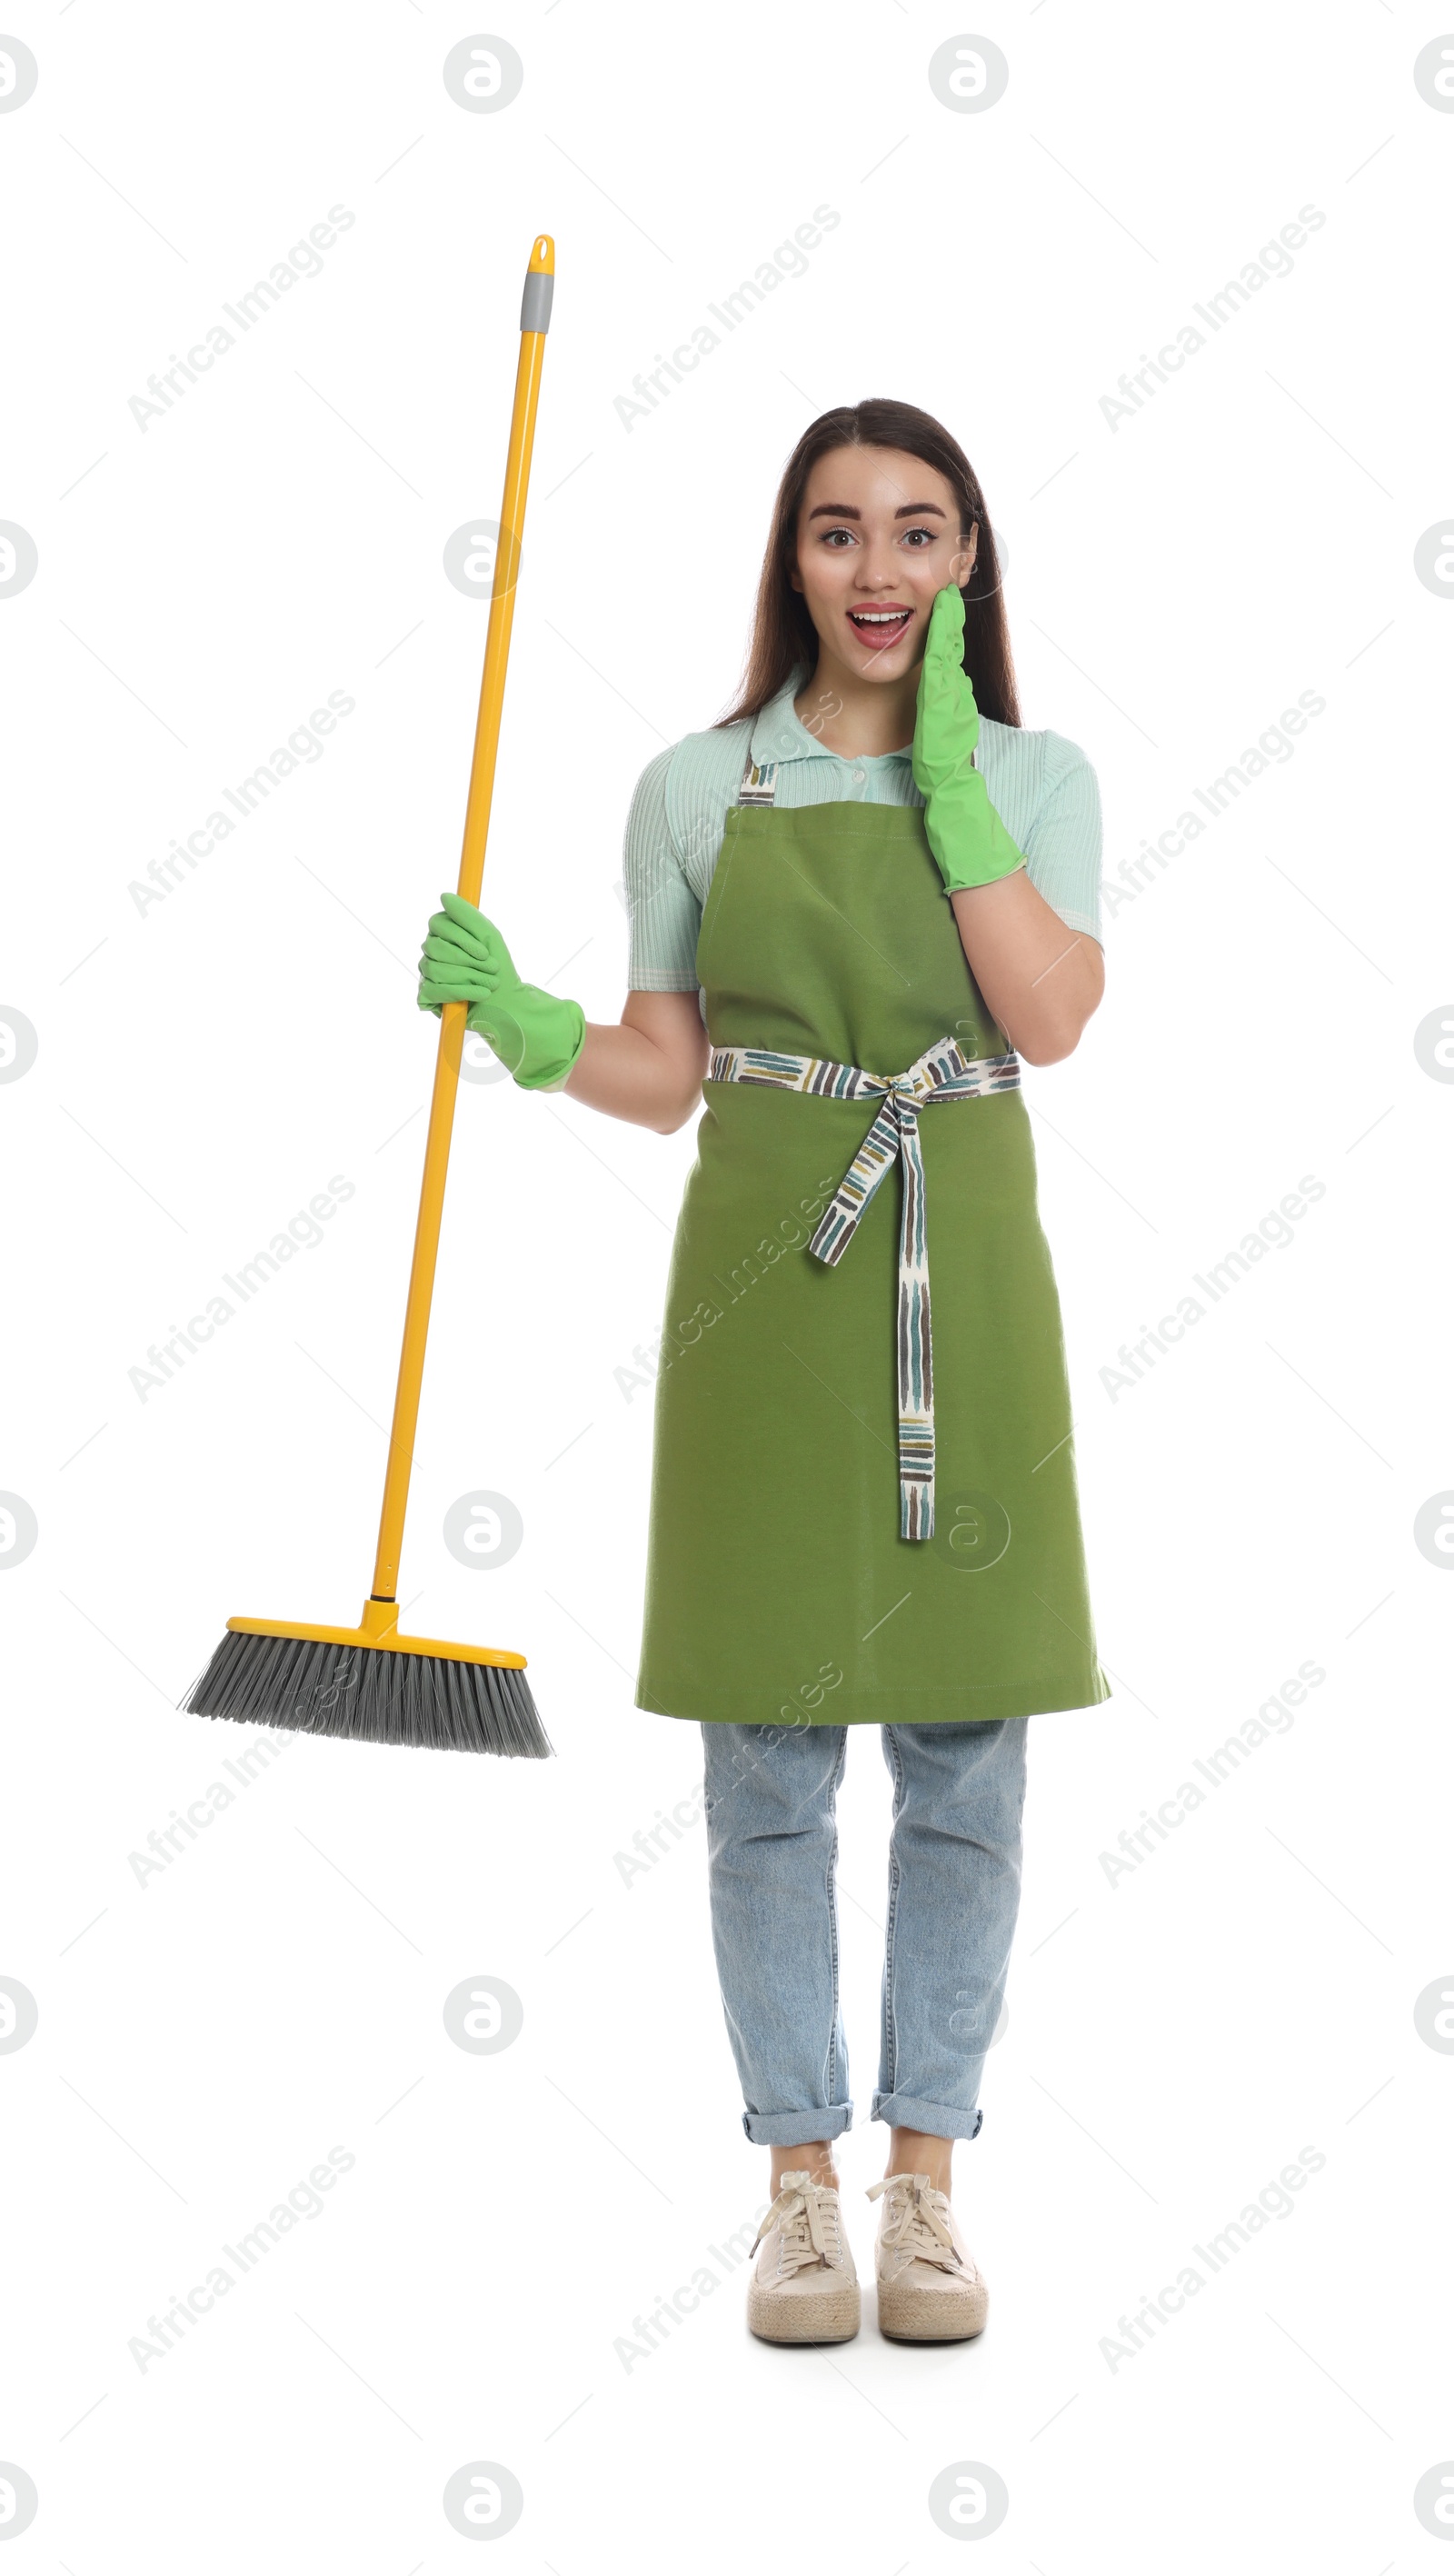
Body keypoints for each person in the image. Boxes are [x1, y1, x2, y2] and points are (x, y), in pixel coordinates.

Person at [417, 398, 1109, 2346]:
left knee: (966, 1743)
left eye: (916, 531)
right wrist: (528, 1023)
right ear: (786, 558)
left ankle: (927, 2188)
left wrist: (956, 788)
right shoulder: (696, 785)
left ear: (966, 559)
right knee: (765, 1764)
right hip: (764, 1286)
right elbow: (665, 1070)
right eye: (835, 532)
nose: (875, 571)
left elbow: (1045, 1018)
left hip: (958, 1272)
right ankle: (795, 2189)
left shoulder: (1040, 775)